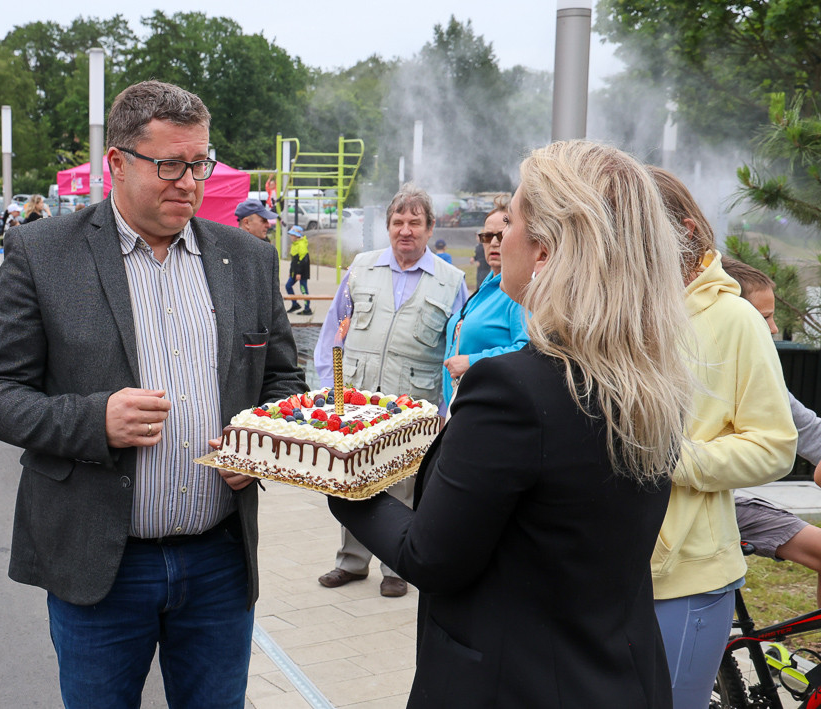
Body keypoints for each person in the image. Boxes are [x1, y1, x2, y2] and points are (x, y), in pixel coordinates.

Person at [0, 80, 305, 709]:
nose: (189, 181)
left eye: (199, 164)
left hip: (219, 564)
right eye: (170, 164)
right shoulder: (44, 253)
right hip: (101, 566)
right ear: (117, 163)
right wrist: (95, 420)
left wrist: (259, 446)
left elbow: (284, 382)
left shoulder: (248, 258)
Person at [329, 140, 694, 707]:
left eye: (513, 223)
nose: (500, 239)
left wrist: (345, 483)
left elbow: (433, 557)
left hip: (514, 683)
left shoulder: (514, 390)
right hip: (620, 674)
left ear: (545, 251)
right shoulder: (651, 380)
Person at [649, 166, 797, 709]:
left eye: (642, 233)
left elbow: (775, 445)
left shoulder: (736, 318)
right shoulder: (622, 312)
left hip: (689, 577)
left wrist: (671, 459)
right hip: (607, 569)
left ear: (686, 232)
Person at [313, 184, 467, 598]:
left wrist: (448, 409)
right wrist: (331, 390)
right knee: (353, 477)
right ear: (388, 227)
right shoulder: (361, 268)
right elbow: (336, 330)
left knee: (405, 482)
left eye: (415, 223)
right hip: (357, 397)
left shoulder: (451, 281)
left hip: (415, 401)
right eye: (398, 222)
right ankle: (351, 562)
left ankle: (397, 566)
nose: (405, 230)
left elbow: (457, 348)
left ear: (430, 228)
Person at [719, 256, 821, 607]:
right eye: (764, 318)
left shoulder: (761, 373)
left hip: (725, 503)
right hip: (703, 509)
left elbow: (811, 433)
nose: (775, 329)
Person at [441, 195, 529, 407]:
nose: (495, 243)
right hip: (460, 407)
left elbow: (527, 350)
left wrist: (472, 362)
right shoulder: (487, 286)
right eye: (488, 237)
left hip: (492, 409)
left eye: (501, 235)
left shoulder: (518, 290)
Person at [285, 225, 311, 315]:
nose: (290, 237)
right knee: (288, 286)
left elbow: (303, 261)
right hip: (295, 272)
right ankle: (295, 304)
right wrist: (291, 271)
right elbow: (294, 261)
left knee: (303, 289)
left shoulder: (301, 245)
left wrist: (299, 273)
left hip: (301, 273)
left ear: (297, 236)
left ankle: (307, 309)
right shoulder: (294, 244)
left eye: (292, 235)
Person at [468, 224, 492, 288]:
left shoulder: (486, 245)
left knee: (483, 282)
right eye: (477, 237)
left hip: (485, 268)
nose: (477, 238)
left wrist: (480, 262)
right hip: (479, 269)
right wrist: (474, 258)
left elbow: (486, 257)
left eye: (479, 236)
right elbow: (478, 255)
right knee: (478, 282)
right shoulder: (478, 246)